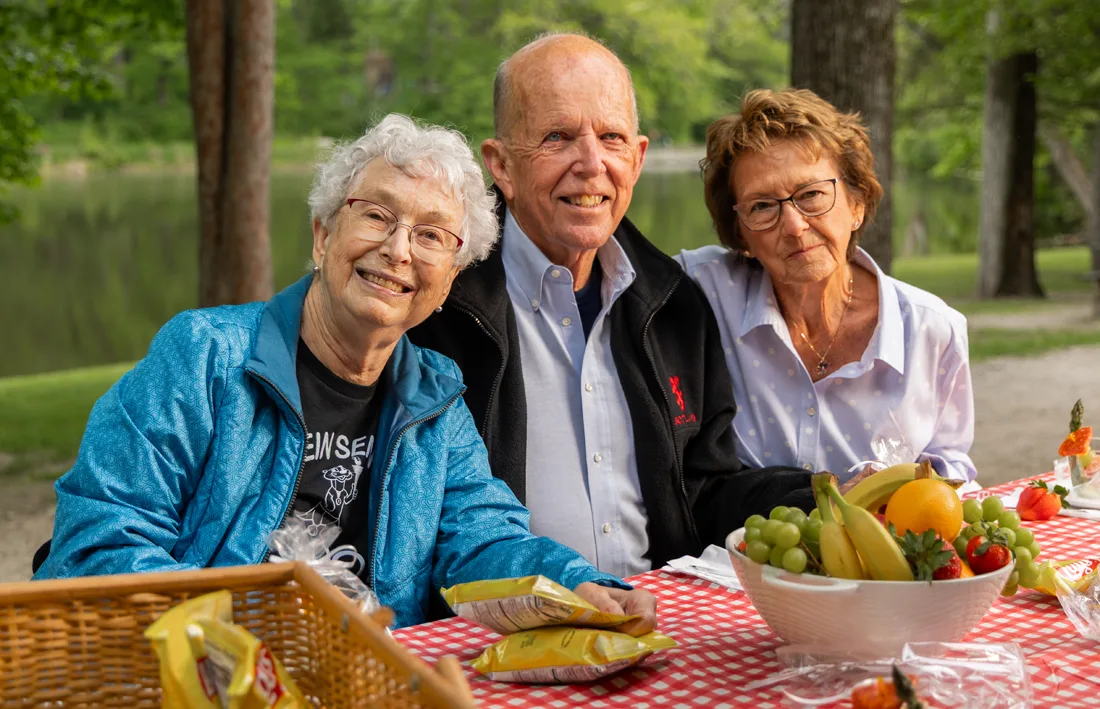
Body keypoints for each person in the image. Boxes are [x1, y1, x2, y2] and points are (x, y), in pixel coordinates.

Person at [33, 114, 657, 633]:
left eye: (433, 235)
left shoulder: (438, 400)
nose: (400, 250)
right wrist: (233, 640)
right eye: (378, 217)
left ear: (446, 284)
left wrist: (578, 585)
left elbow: (483, 541)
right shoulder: (205, 356)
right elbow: (101, 537)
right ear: (323, 235)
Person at [408, 34, 819, 579]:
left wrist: (824, 494)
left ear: (638, 157)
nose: (591, 163)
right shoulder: (435, 307)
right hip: (490, 636)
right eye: (558, 137)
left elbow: (703, 491)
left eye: (612, 137)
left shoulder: (674, 305)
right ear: (501, 166)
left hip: (651, 626)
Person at [678, 89, 977, 485]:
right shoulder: (704, 289)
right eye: (762, 206)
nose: (794, 226)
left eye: (812, 195)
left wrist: (912, 486)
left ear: (857, 204)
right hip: (743, 544)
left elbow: (950, 461)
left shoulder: (930, 330)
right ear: (741, 234)